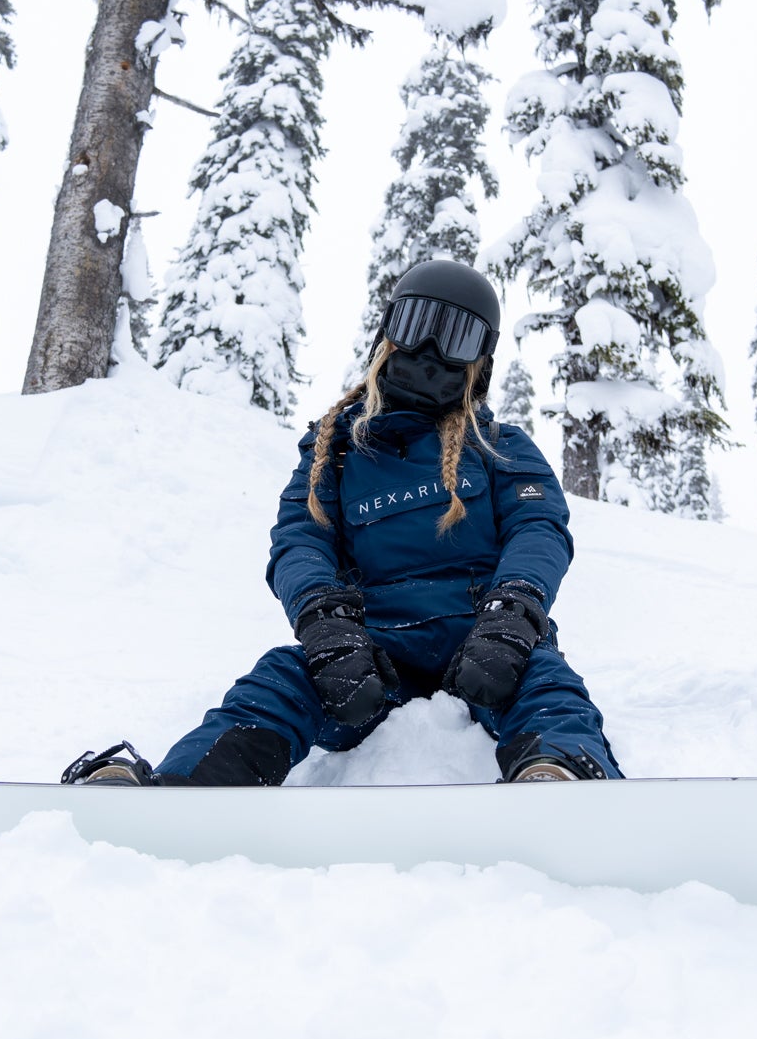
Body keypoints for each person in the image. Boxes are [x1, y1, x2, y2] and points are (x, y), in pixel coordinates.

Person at [61, 260, 622, 787]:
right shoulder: (335, 453)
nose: (429, 350)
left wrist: (513, 617)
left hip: (484, 642)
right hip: (371, 655)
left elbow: (539, 528)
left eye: (454, 337)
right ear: (387, 335)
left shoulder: (499, 447)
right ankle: (187, 785)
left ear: (481, 361)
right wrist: (324, 627)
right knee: (280, 681)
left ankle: (560, 772)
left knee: (547, 685)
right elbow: (299, 539)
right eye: (417, 325)